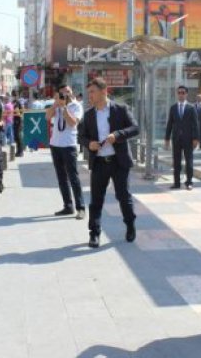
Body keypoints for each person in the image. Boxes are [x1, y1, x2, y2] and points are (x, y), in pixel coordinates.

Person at [78, 77, 139, 248]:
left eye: (92, 92)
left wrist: (117, 135)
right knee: (96, 200)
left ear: (104, 92)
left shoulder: (120, 109)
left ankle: (130, 224)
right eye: (89, 92)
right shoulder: (89, 114)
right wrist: (89, 143)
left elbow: (135, 128)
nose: (89, 95)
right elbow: (81, 136)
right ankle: (94, 233)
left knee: (123, 197)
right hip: (99, 162)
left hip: (119, 162)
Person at [46, 84, 85, 219]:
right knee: (61, 178)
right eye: (63, 92)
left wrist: (64, 108)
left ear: (72, 92)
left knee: (73, 177)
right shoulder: (56, 104)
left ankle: (80, 207)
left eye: (67, 92)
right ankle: (68, 206)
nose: (65, 95)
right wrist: (56, 104)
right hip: (55, 145)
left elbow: (73, 122)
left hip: (69, 145)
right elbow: (47, 117)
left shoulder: (76, 106)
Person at [164, 85, 200, 190]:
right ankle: (177, 183)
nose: (181, 94)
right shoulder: (173, 108)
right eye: (179, 92)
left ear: (186, 94)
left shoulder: (191, 108)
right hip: (176, 139)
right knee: (176, 161)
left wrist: (196, 138)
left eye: (183, 92)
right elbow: (170, 124)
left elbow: (195, 124)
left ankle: (189, 182)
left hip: (188, 139)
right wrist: (167, 138)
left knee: (189, 161)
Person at [12, 91, 24, 157]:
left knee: (18, 137)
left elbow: (21, 112)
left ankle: (20, 151)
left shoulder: (18, 102)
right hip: (15, 120)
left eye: (15, 95)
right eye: (13, 95)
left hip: (18, 121)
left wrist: (18, 113)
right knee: (16, 137)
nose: (14, 97)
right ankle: (18, 151)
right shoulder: (13, 102)